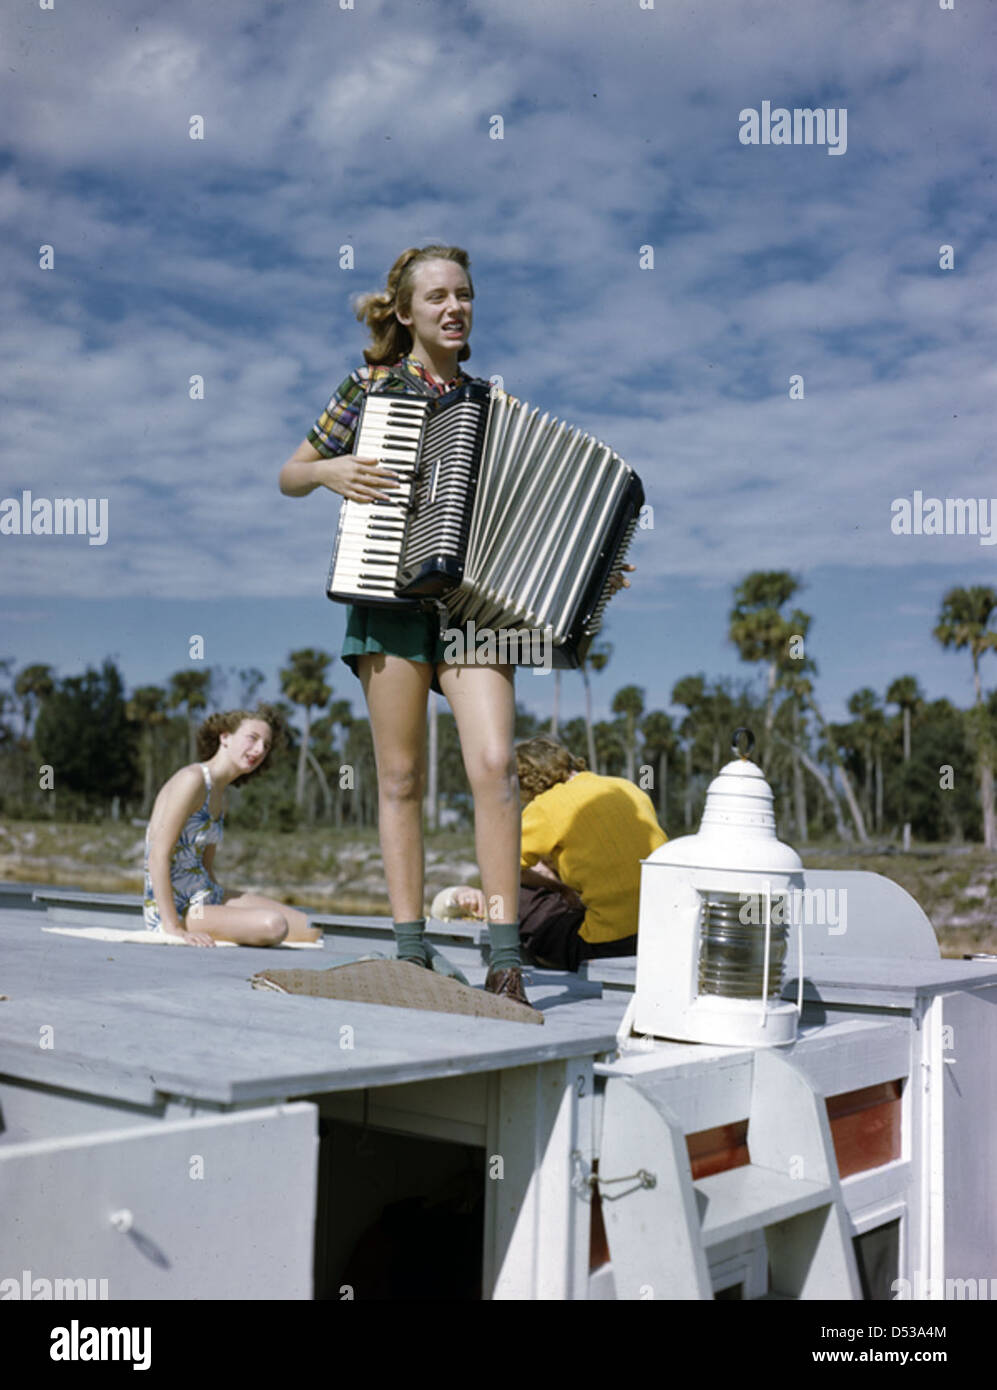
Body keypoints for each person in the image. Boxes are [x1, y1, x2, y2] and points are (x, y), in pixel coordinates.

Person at [279, 245, 532, 1003]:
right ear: (404, 312)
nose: (454, 308)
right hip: (385, 597)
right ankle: (411, 949)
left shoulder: (496, 404)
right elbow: (290, 473)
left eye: (464, 295)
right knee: (399, 777)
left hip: (473, 606)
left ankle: (505, 956)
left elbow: (529, 508)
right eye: (437, 298)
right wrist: (328, 471)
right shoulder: (366, 388)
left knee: (495, 766)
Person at [437, 736, 666, 972]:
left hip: (608, 945)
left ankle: (479, 907)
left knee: (514, 888)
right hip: (661, 933)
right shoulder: (626, 787)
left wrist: (559, 888)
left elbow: (502, 866)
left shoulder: (545, 807)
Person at [143, 706, 321, 947]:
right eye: (253, 738)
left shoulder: (219, 794)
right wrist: (174, 928)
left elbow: (205, 867)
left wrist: (226, 912)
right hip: (179, 908)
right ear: (225, 736)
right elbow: (157, 856)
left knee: (311, 928)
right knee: (274, 925)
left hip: (207, 896)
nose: (259, 750)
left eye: (266, 745)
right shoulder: (192, 780)